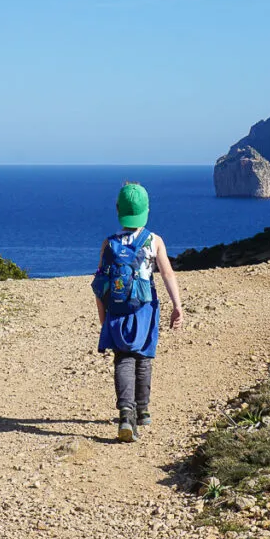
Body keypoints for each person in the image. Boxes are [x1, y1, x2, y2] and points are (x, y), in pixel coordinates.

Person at [93, 182, 183, 442]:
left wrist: (103, 319)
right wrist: (177, 306)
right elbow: (167, 273)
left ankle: (125, 414)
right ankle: (142, 411)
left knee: (123, 358)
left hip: (117, 310)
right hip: (145, 309)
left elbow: (100, 284)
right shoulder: (154, 241)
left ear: (119, 210)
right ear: (146, 210)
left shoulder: (109, 244)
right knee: (143, 357)